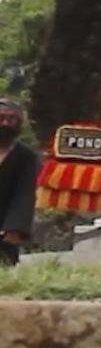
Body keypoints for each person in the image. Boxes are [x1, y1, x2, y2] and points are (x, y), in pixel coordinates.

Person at [0, 99, 38, 266]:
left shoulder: (26, 156)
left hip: (4, 230)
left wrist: (15, 228)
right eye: (1, 118)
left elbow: (25, 194)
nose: (5, 123)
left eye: (11, 119)